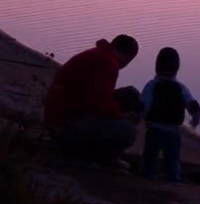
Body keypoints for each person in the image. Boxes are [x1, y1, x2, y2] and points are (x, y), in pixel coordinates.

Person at [44, 35, 139, 168]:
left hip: (71, 110)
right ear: (127, 57)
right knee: (128, 132)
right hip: (66, 123)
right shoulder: (108, 63)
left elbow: (97, 96)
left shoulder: (99, 54)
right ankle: (98, 156)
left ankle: (104, 152)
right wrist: (121, 116)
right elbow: (98, 103)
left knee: (130, 94)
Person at [141, 47, 200, 182]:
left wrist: (138, 118)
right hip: (173, 131)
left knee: (150, 157)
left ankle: (147, 177)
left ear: (156, 66)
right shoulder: (180, 87)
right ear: (177, 68)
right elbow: (193, 106)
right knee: (173, 158)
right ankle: (173, 179)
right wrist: (194, 121)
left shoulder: (151, 85)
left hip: (154, 129)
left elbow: (144, 105)